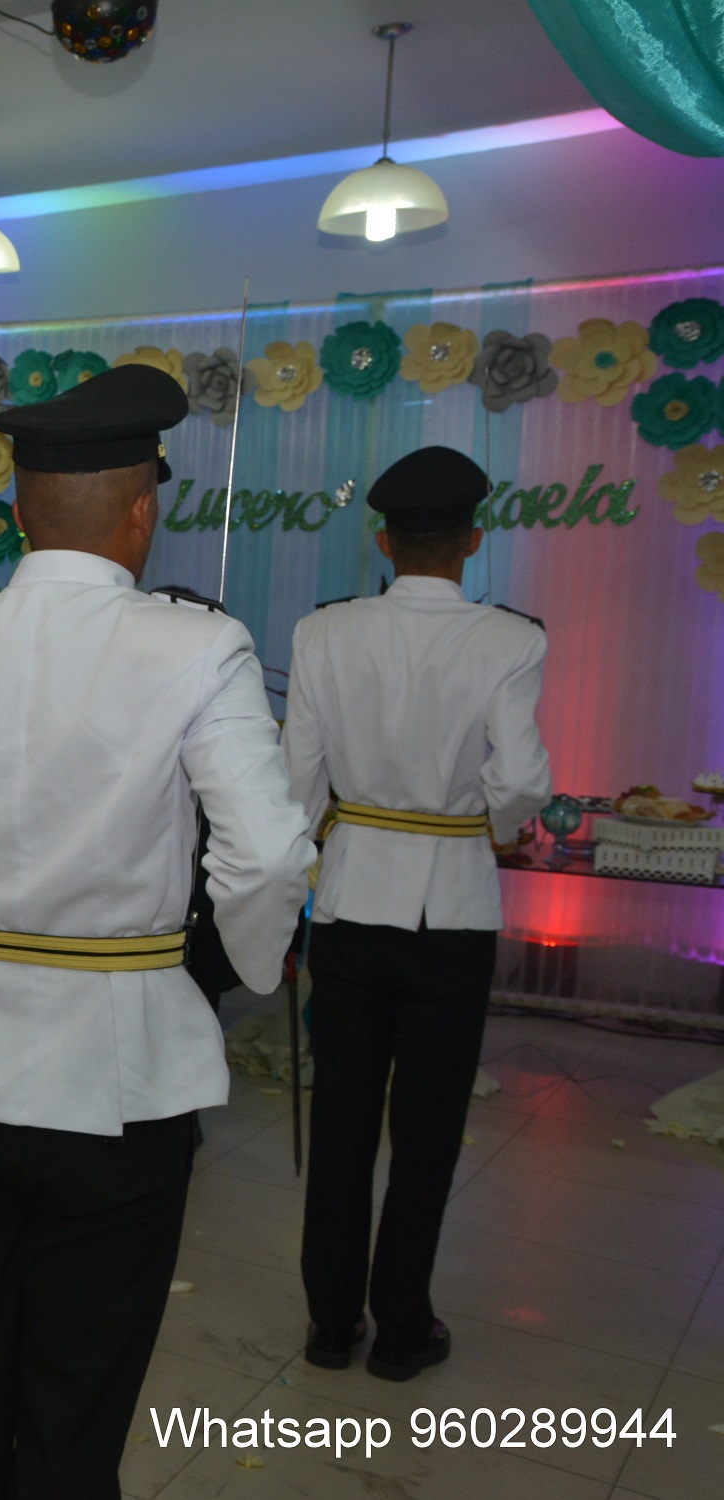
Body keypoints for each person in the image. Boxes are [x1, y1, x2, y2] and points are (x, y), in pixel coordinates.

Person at [0, 365, 314, 1498]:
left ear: (22, 512)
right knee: (75, 1400)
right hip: (118, 1081)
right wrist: (229, 965)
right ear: (143, 513)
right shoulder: (198, 647)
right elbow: (271, 853)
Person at [283, 445, 551, 1383]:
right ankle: (401, 1332)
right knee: (428, 1129)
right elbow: (519, 783)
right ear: (475, 540)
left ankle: (328, 1324)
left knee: (344, 1118)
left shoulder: (325, 634)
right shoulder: (510, 640)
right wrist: (497, 824)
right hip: (453, 911)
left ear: (385, 539)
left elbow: (296, 785)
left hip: (352, 901)